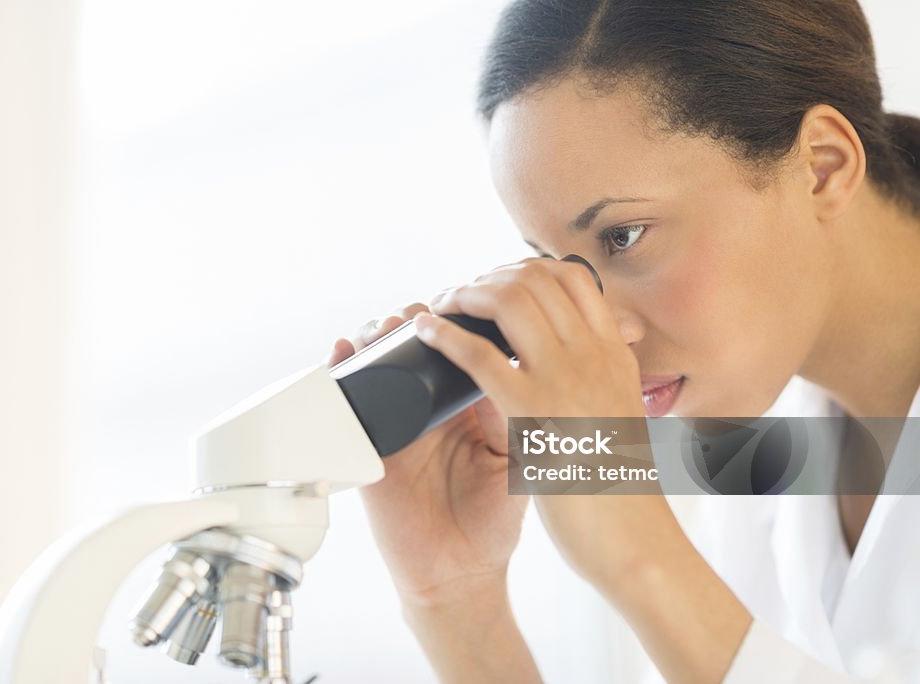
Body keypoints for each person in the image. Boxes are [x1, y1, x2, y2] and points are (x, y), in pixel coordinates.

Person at [327, 1, 920, 681]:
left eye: (622, 237)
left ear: (821, 164)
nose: (600, 327)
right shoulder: (766, 467)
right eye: (558, 265)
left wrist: (638, 555)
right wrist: (455, 600)